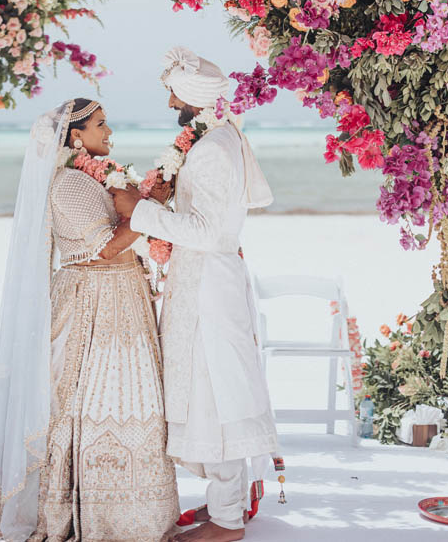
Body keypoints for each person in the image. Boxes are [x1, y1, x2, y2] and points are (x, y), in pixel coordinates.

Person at [0, 99, 179, 542]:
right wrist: (152, 208)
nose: (110, 131)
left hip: (123, 294)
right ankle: (96, 515)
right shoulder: (69, 184)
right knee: (91, 404)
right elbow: (105, 246)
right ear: (75, 136)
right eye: (100, 124)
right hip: (96, 300)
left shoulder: (95, 177)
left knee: (133, 402)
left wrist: (148, 209)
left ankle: (139, 510)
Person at [110, 48, 279, 542]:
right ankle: (222, 504)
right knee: (207, 392)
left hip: (208, 287)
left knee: (215, 395)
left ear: (193, 97)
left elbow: (205, 232)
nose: (168, 102)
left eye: (173, 92)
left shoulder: (210, 150)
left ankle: (227, 522)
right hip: (203, 283)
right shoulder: (216, 139)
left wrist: (137, 211)